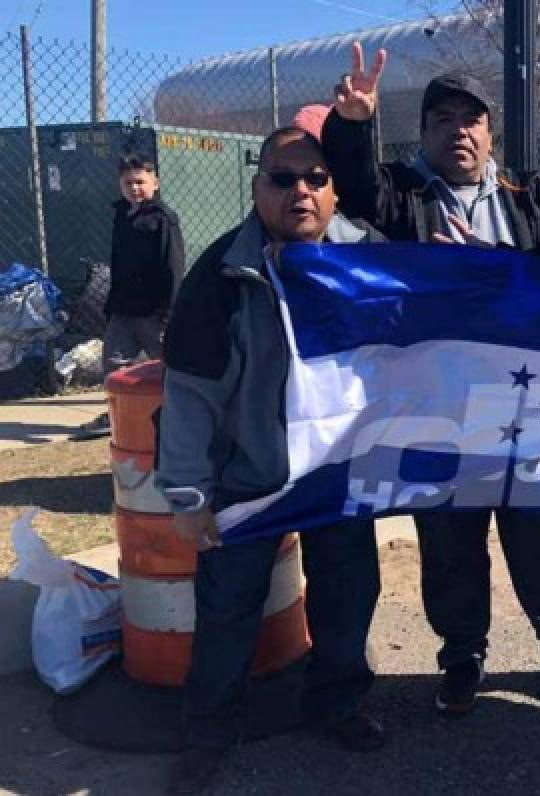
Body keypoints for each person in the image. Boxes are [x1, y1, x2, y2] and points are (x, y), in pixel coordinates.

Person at [322, 44, 540, 715]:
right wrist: (351, 123)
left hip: (527, 406)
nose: (458, 130)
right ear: (423, 132)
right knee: (450, 541)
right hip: (440, 407)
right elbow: (353, 186)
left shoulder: (525, 194)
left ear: (490, 132)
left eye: (471, 119)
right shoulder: (401, 196)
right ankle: (462, 653)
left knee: (539, 534)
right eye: (442, 119)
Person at [156, 127, 386, 795]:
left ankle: (337, 703)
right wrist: (189, 494)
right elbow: (191, 392)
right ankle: (209, 731)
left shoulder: (368, 262)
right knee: (228, 609)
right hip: (247, 481)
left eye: (314, 177)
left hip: (336, 476)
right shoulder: (219, 275)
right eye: (282, 179)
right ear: (256, 187)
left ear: (334, 189)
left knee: (347, 595)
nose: (300, 191)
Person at [75, 152, 185, 438]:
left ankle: (183, 410)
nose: (134, 188)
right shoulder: (121, 216)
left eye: (140, 182)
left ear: (155, 183)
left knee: (170, 361)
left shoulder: (163, 220)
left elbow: (173, 268)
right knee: (114, 362)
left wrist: (168, 309)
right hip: (124, 307)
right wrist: (112, 305)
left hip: (153, 310)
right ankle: (117, 412)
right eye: (127, 183)